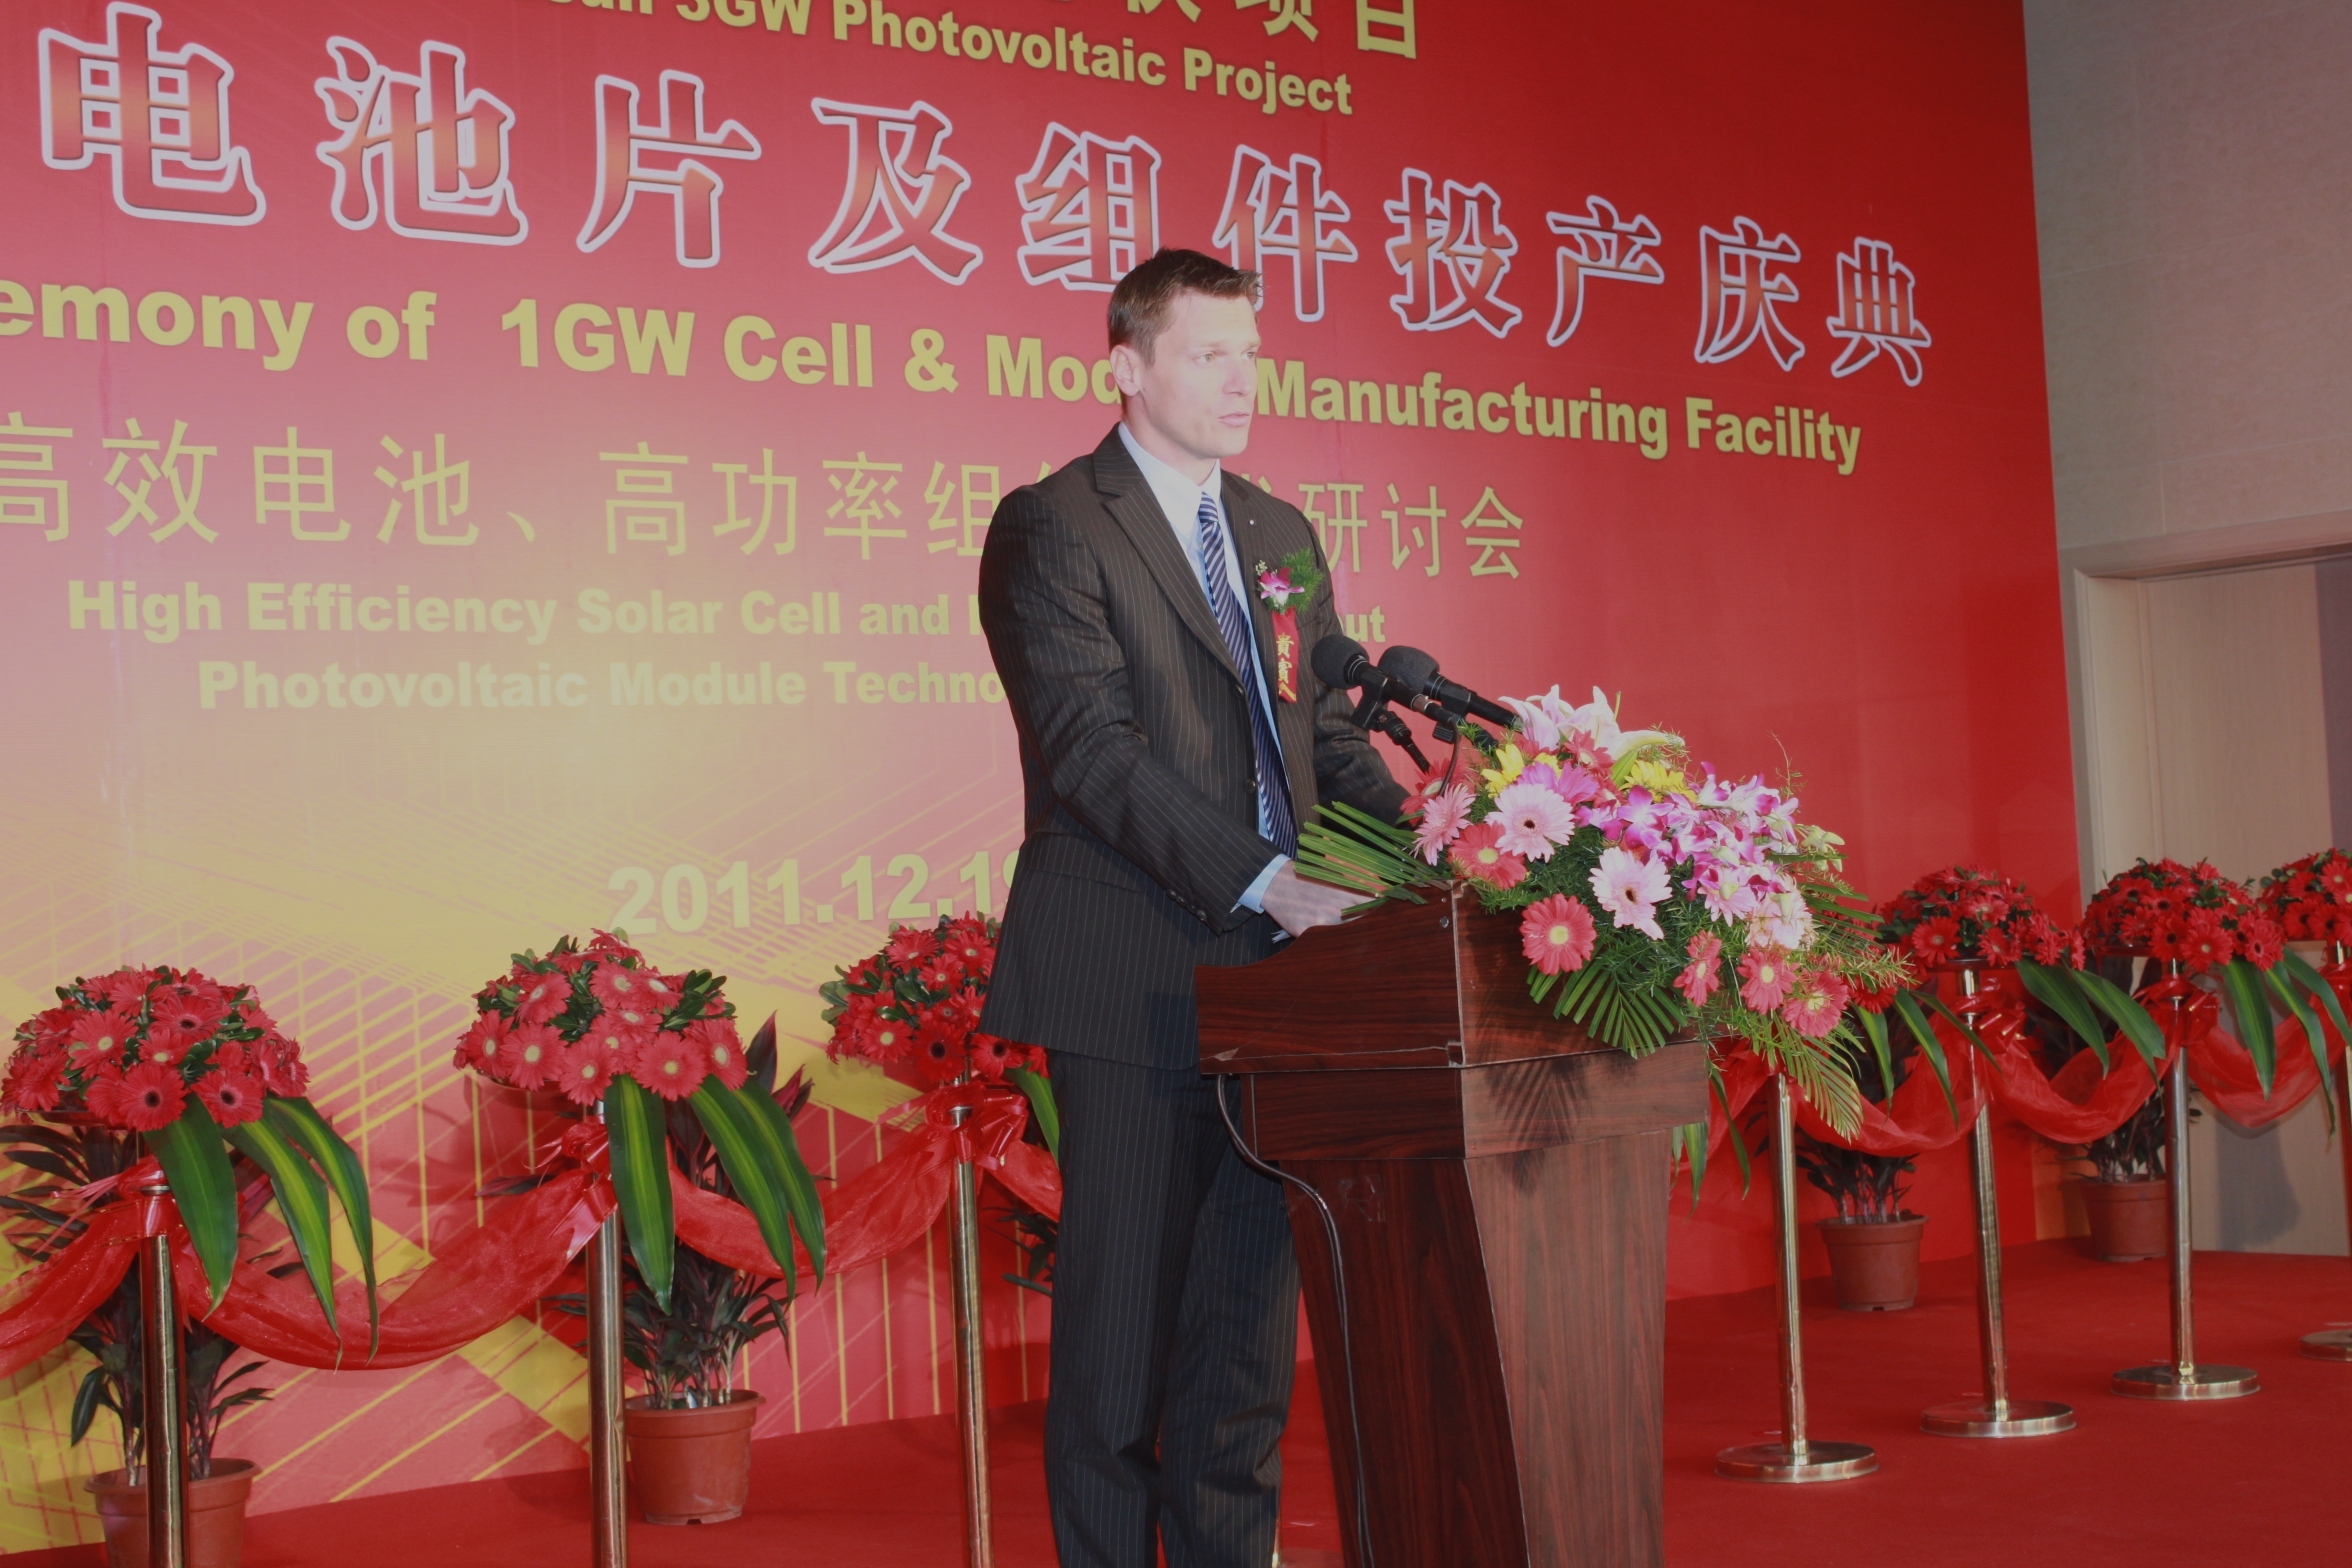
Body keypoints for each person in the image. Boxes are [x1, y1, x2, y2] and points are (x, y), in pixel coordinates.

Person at [976, 248, 1408, 1568]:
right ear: (1127, 367)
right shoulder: (1055, 524)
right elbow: (1091, 752)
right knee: (1118, 1357)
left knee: (1239, 1348)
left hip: (1280, 994)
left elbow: (1322, 741)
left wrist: (1433, 856)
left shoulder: (1276, 532)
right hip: (1135, 981)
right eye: (1209, 354)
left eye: (1251, 354)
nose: (1242, 379)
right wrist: (1266, 879)